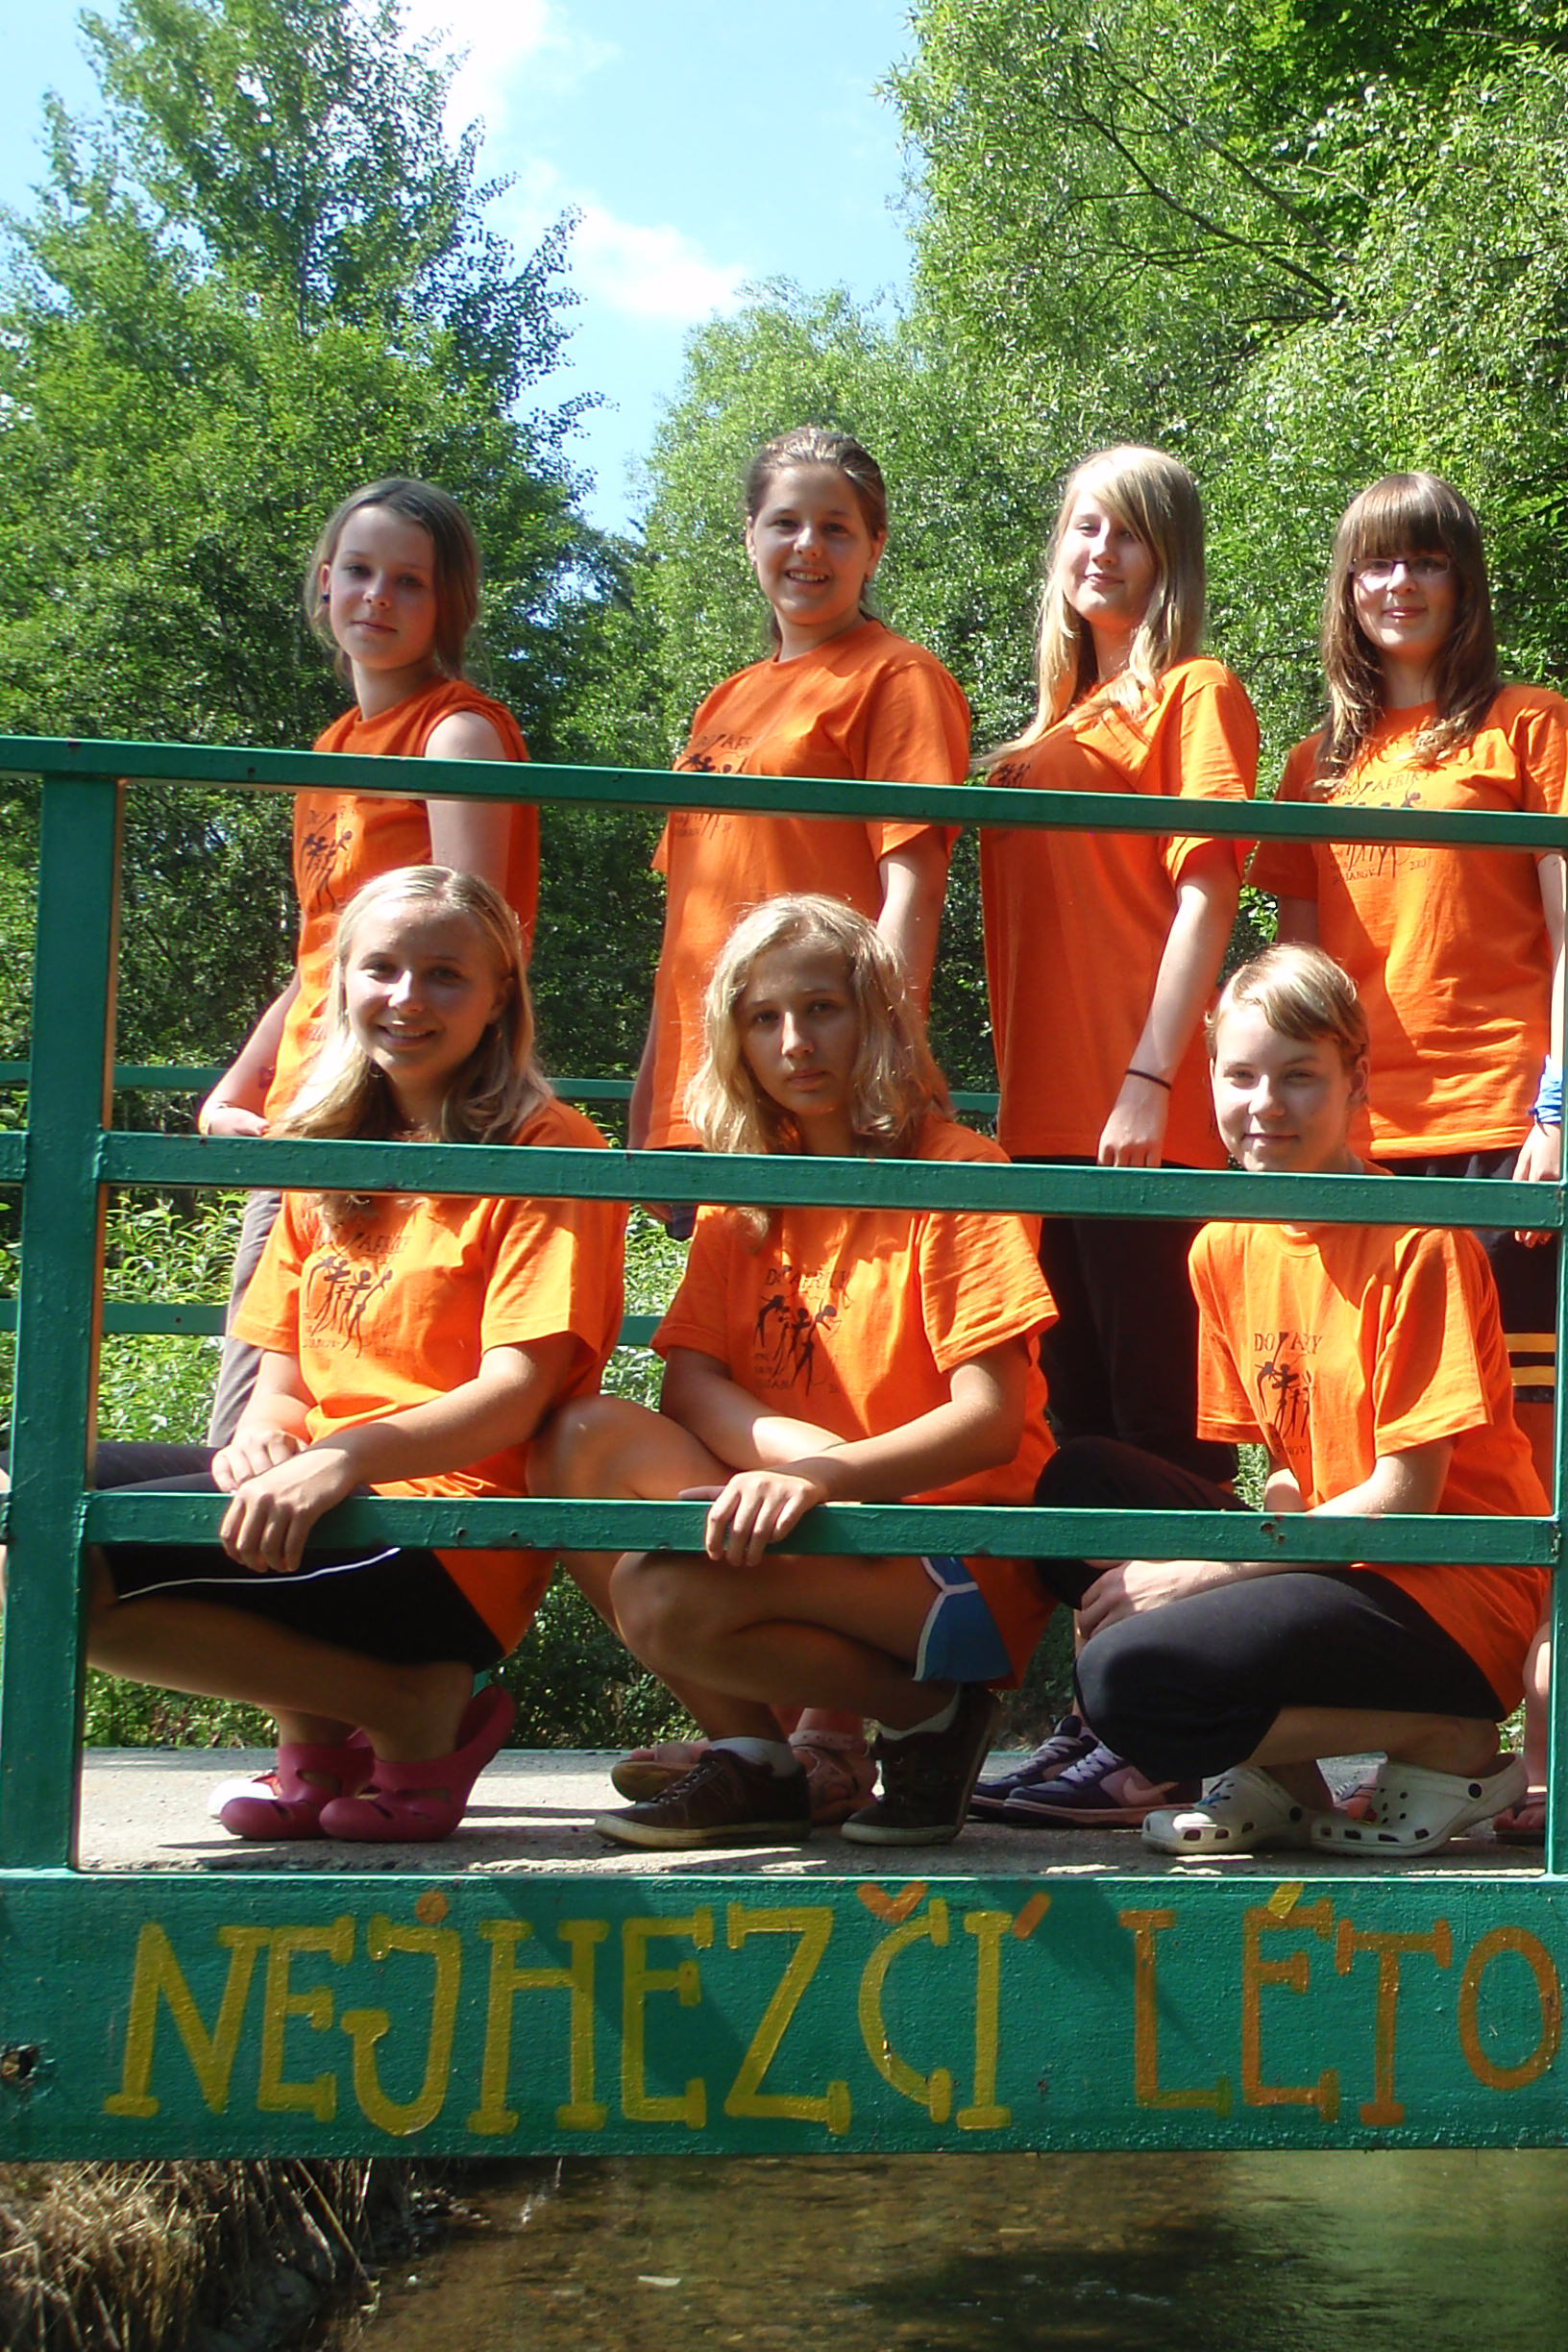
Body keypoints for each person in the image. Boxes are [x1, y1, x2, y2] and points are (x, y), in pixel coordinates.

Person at [75, 869, 619, 1842]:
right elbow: (282, 1373)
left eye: (445, 974)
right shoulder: (325, 1143)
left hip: (446, 1527)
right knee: (25, 1496)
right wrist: (266, 1434)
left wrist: (340, 1458)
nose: (408, 998)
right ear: (341, 982)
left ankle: (412, 1708)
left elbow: (518, 1394)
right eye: (382, 968)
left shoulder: (547, 1147)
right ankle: (324, 1741)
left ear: (500, 997)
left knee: (70, 1567)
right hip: (329, 1485)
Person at [539, 896, 1058, 1848]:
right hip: (812, 1513)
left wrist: (823, 1477)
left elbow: (989, 1420)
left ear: (876, 1016)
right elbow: (690, 1384)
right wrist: (794, 1463)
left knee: (661, 1594)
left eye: (822, 1008)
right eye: (763, 1018)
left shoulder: (958, 1171)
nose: (795, 1043)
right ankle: (757, 1762)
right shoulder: (749, 1188)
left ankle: (937, 1716)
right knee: (578, 1440)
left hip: (945, 1554)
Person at [1018, 944, 1551, 1859]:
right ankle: (1281, 1781)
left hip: (1449, 1585)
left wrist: (1204, 1574)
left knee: (1125, 1681)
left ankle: (1446, 1738)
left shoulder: (1419, 1242)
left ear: (1356, 1082)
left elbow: (1406, 1497)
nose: (1266, 1105)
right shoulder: (1224, 1244)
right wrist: (1229, 1571)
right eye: (1241, 1076)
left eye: (1300, 1077)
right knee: (1081, 1485)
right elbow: (1285, 1471)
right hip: (1337, 1553)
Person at [965, 447, 1260, 1831]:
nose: (1103, 551)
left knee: (1163, 1442)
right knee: (1070, 1437)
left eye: (1133, 533)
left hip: (1148, 1124)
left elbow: (1207, 894)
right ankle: (1108, 1715)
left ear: (1171, 557)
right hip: (1038, 1130)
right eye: (1086, 525)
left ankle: (1167, 1725)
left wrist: (1148, 1076)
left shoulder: (1193, 694)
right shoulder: (1048, 727)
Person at [1253, 473, 1568, 1472]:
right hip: (1355, 1136)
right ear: (1347, 588)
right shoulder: (1313, 766)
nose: (1400, 584)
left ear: (1465, 586)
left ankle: (1543, 1586)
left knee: (1517, 1415)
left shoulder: (1528, 725)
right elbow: (1297, 981)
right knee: (1370, 1406)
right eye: (1377, 563)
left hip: (1500, 1123)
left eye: (1427, 561)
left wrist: (1561, 1111)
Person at [196, 479, 538, 1446]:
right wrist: (241, 1083)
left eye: (409, 581)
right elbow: (323, 955)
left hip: (391, 1110)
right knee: (256, 1420)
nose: (377, 597)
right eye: (358, 570)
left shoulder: (454, 733)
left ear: (447, 604)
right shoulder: (334, 747)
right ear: (324, 582)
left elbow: (471, 937)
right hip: (309, 1106)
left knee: (277, 1431)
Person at [628, 427, 966, 1160]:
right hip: (699, 1100)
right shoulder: (724, 700)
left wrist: (884, 1069)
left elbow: (913, 891)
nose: (808, 545)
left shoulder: (897, 676)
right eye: (785, 523)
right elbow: (685, 926)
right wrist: (648, 1099)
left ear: (874, 548)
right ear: (750, 537)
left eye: (836, 528)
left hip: (814, 1096)